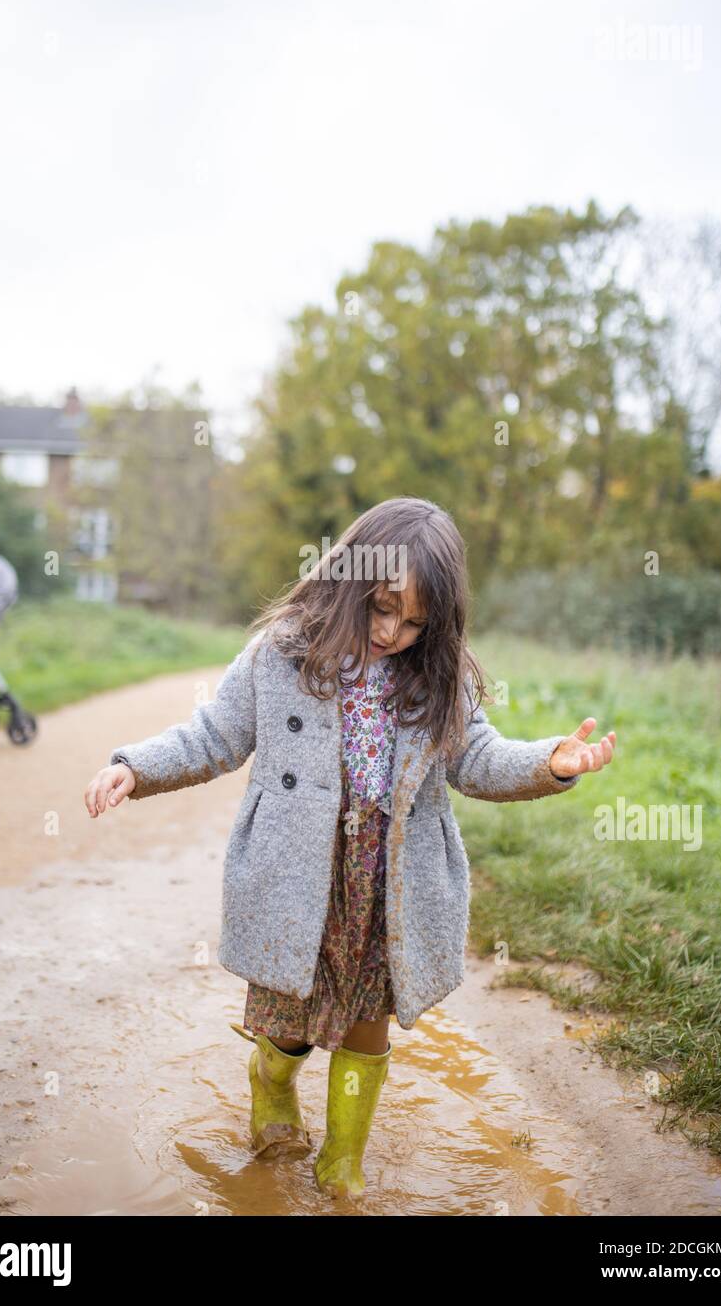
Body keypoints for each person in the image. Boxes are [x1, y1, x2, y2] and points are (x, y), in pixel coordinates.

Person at [84, 496, 616, 1200]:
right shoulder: (280, 654)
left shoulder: (440, 679)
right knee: (292, 1021)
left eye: (416, 620)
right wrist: (137, 766)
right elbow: (213, 735)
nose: (394, 631)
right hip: (296, 874)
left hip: (387, 882)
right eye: (382, 608)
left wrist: (551, 763)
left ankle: (343, 1157)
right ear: (348, 580)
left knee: (368, 1021)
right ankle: (272, 1083)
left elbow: (478, 760)